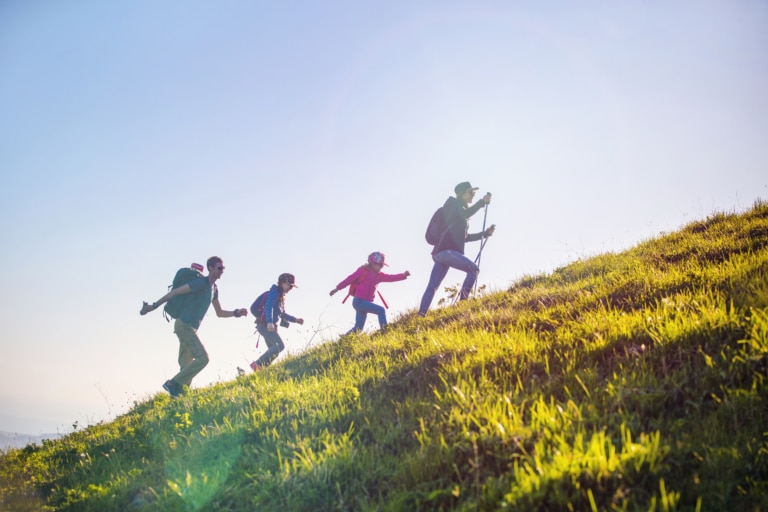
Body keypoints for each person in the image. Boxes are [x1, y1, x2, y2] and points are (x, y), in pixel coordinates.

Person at [140, 256, 248, 397]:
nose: (222, 271)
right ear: (210, 268)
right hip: (183, 325)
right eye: (219, 268)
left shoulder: (214, 289)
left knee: (187, 366)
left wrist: (236, 313)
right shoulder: (199, 283)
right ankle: (172, 383)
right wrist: (153, 306)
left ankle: (179, 397)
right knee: (203, 358)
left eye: (223, 268)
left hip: (191, 328)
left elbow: (219, 313)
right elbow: (175, 292)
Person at [418, 182, 495, 316]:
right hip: (446, 251)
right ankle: (462, 305)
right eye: (471, 192)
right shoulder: (453, 205)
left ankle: (421, 315)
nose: (473, 195)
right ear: (462, 194)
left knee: (433, 286)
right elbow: (464, 214)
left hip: (441, 253)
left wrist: (484, 234)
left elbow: (465, 238)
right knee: (473, 269)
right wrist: (482, 202)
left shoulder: (459, 212)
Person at [330, 251, 410, 334]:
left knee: (358, 328)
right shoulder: (362, 271)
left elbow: (391, 278)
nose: (380, 267)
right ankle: (385, 331)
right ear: (371, 263)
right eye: (379, 265)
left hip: (364, 303)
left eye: (382, 265)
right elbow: (349, 279)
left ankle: (344, 339)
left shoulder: (379, 275)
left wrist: (403, 275)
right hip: (359, 301)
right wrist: (337, 289)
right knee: (381, 310)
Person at [250, 273, 304, 370]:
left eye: (292, 287)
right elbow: (268, 306)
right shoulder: (274, 292)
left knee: (275, 351)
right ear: (282, 282)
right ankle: (257, 364)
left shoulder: (281, 297)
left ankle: (262, 370)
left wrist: (295, 320)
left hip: (268, 325)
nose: (290, 289)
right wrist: (269, 322)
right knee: (280, 346)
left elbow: (282, 314)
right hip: (265, 325)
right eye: (289, 285)